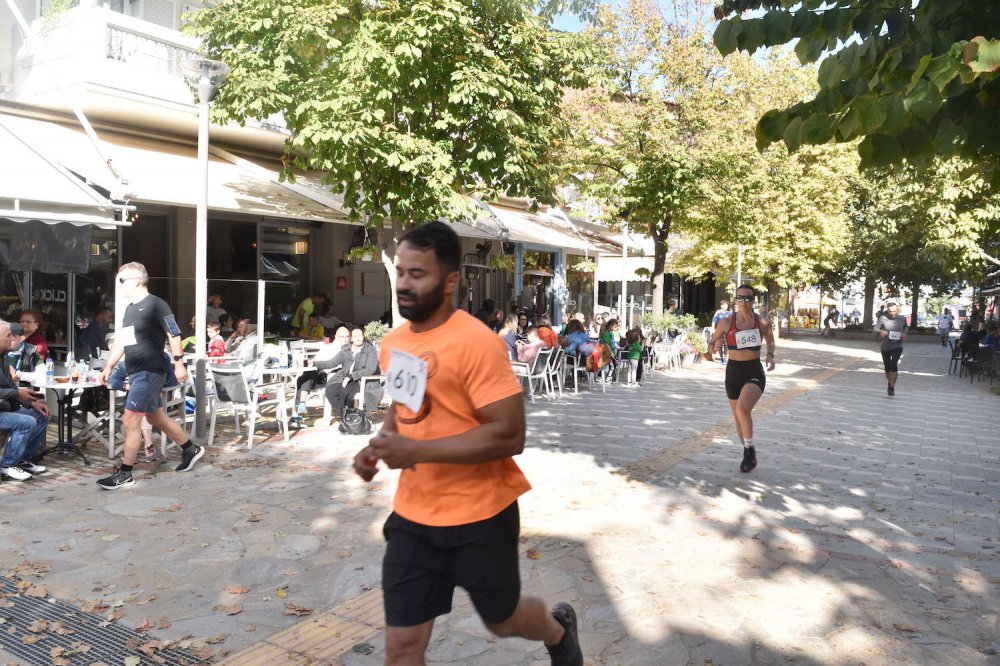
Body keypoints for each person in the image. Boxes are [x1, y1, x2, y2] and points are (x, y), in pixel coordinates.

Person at [352, 221, 582, 666]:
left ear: (450, 280)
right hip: (414, 519)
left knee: (503, 621)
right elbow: (405, 413)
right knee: (400, 651)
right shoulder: (394, 343)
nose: (403, 283)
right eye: (400, 271)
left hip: (481, 516)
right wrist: (378, 447)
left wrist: (416, 452)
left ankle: (558, 632)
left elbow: (510, 434)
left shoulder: (479, 343)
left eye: (417, 274)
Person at [96, 262, 204, 490]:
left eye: (121, 281)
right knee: (155, 417)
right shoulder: (129, 309)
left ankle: (125, 473)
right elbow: (123, 341)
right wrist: (109, 366)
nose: (120, 286)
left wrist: (178, 364)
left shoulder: (156, 304)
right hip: (136, 371)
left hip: (150, 370)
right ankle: (190, 449)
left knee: (130, 419)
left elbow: (174, 333)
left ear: (136, 280)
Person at [707, 285, 776, 473]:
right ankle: (748, 451)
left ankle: (749, 447)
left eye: (748, 298)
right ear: (735, 300)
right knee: (738, 417)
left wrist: (770, 355)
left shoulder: (762, 323)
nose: (743, 302)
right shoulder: (727, 322)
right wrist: (715, 345)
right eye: (740, 298)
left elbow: (770, 341)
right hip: (733, 372)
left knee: (743, 409)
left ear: (754, 300)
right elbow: (710, 346)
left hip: (753, 370)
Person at [0, 319, 50, 481]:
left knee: (41, 414)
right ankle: (8, 465)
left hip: (4, 407)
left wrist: (30, 402)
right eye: (9, 336)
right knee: (25, 422)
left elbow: (11, 387)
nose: (13, 339)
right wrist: (17, 393)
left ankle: (22, 459)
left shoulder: (3, 357)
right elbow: (12, 391)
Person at [325, 327, 381, 424]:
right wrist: (315, 364)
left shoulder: (370, 350)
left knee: (345, 392)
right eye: (355, 336)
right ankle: (349, 415)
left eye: (360, 335)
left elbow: (370, 369)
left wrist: (351, 377)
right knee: (331, 390)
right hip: (346, 378)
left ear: (363, 337)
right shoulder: (347, 349)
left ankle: (349, 419)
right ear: (351, 338)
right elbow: (331, 363)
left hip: (361, 380)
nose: (358, 338)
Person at [295, 325, 350, 413]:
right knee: (303, 378)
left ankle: (300, 407)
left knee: (306, 377)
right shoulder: (327, 346)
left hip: (333, 376)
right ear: (336, 337)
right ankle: (300, 406)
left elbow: (334, 364)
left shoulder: (347, 350)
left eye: (347, 336)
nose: (345, 339)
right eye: (342, 336)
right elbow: (316, 361)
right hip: (319, 372)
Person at [874, 302, 907, 397]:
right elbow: (875, 328)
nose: (892, 313)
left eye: (894, 311)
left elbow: (905, 327)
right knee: (887, 367)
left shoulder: (902, 318)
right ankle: (890, 383)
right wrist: (881, 331)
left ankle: (892, 386)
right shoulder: (883, 318)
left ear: (897, 310)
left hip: (897, 345)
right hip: (885, 346)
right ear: (887, 310)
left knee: (894, 365)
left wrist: (904, 334)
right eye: (890, 311)